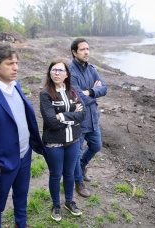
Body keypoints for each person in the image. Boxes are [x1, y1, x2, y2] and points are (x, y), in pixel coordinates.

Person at [0, 42, 46, 228]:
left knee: (21, 195)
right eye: (9, 63)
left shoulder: (16, 85)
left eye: (16, 62)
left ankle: (20, 224)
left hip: (24, 155)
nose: (15, 68)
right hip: (3, 161)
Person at [40, 58, 86, 221]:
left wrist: (63, 115)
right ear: (49, 73)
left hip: (73, 140)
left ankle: (69, 201)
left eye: (60, 70)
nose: (57, 73)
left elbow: (83, 115)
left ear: (66, 74)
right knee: (55, 174)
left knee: (69, 173)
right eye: (54, 70)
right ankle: (56, 205)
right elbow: (51, 122)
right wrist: (73, 113)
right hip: (54, 143)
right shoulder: (45, 94)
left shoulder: (72, 91)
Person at [69, 38, 107, 198]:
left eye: (88, 49)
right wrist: (93, 93)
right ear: (74, 52)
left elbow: (104, 88)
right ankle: (78, 182)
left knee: (96, 146)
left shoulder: (91, 69)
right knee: (76, 154)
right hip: (79, 121)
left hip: (93, 119)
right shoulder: (70, 72)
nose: (86, 52)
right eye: (82, 49)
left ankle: (83, 167)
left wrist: (90, 92)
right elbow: (79, 99)